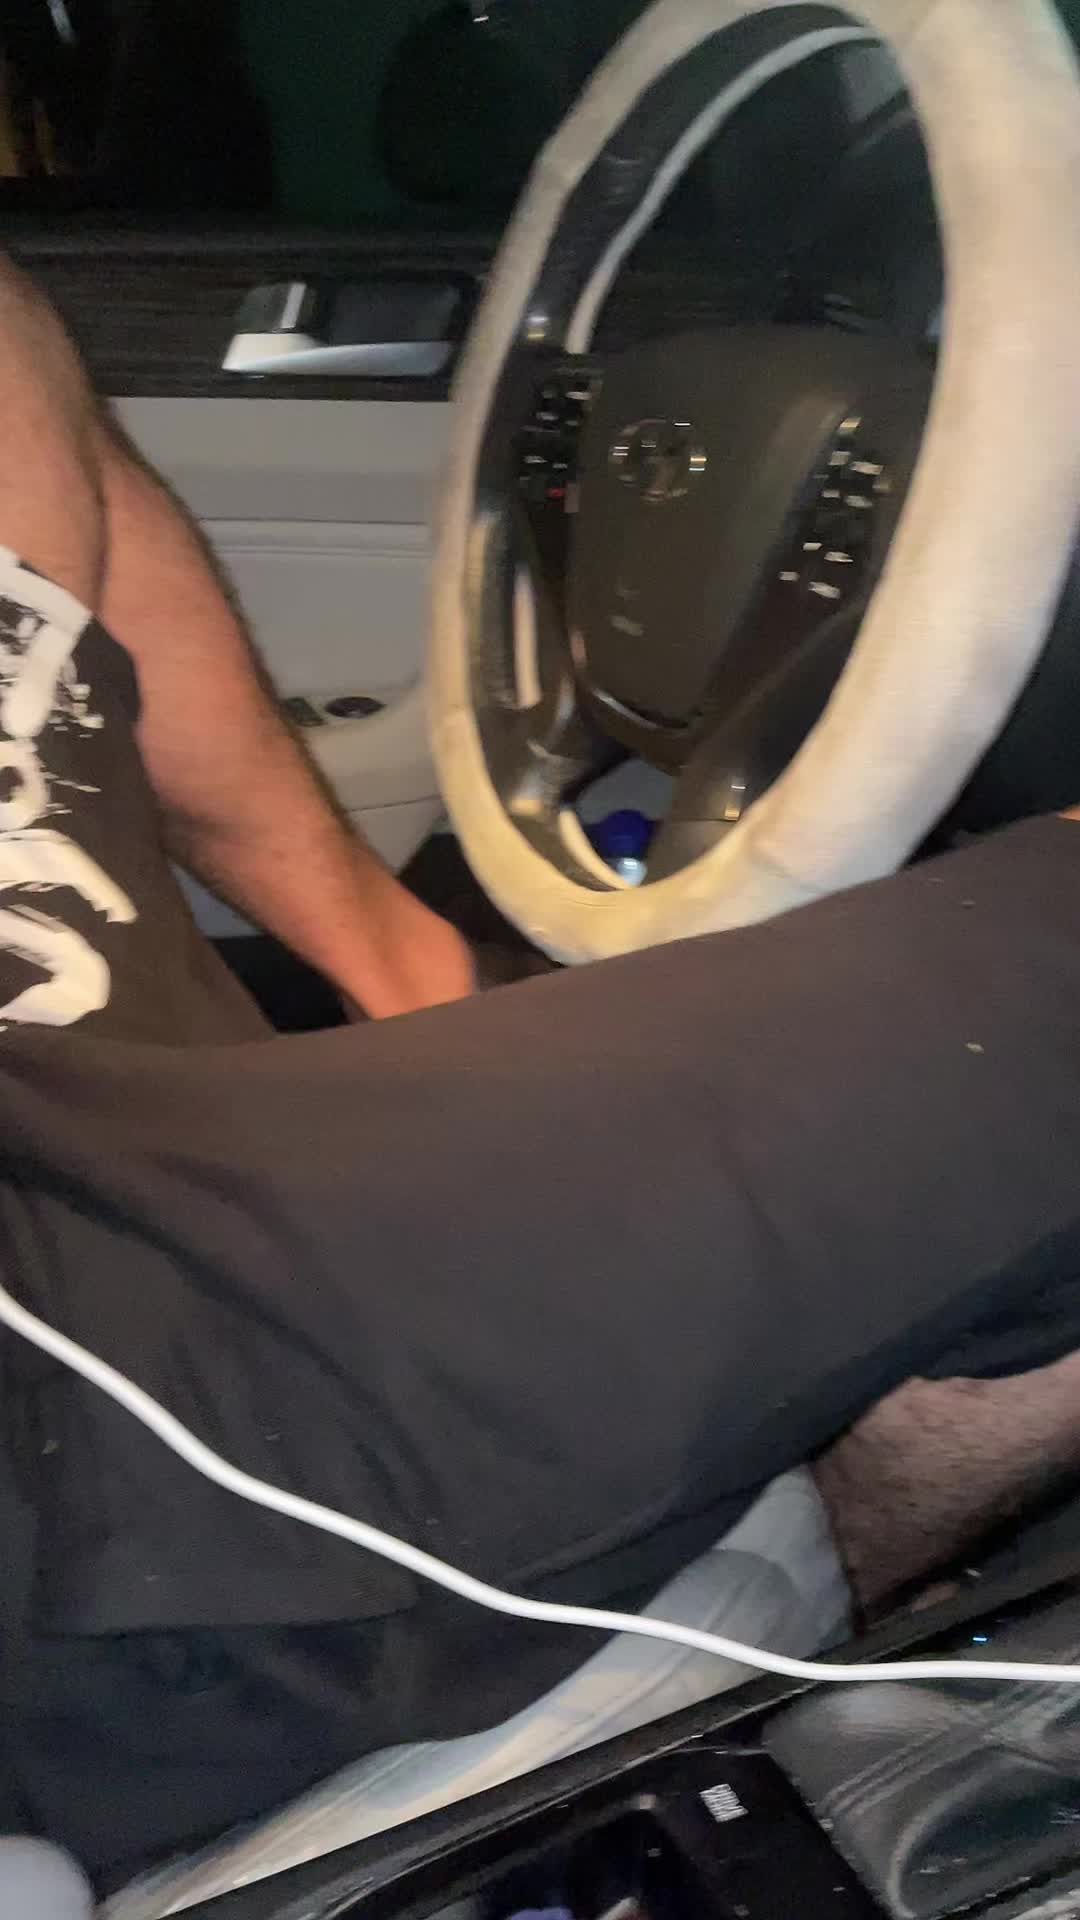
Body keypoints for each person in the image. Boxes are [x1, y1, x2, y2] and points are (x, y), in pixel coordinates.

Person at [2, 253, 1080, 1892]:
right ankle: (786, 1572)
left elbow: (44, 488)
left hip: (125, 1153)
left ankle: (772, 1523)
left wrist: (395, 960)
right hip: (95, 1440)